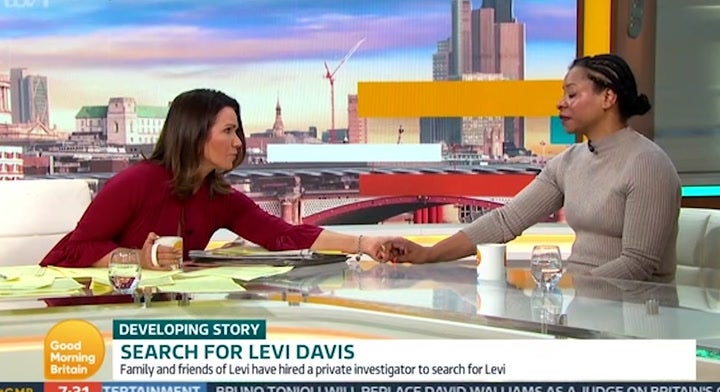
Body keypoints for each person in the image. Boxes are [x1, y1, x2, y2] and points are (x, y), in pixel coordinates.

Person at [385, 54, 681, 283]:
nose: (560, 103)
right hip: (583, 309)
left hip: (634, 313)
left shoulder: (647, 164)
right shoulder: (569, 161)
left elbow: (638, 264)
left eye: (572, 94)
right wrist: (428, 254)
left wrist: (569, 291)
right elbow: (505, 222)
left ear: (608, 98)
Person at [40, 89, 390, 269]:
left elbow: (283, 235)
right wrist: (138, 260)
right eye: (228, 131)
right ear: (195, 134)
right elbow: (72, 250)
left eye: (238, 131)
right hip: (93, 322)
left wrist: (364, 244)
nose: (238, 142)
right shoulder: (136, 183)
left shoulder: (219, 197)